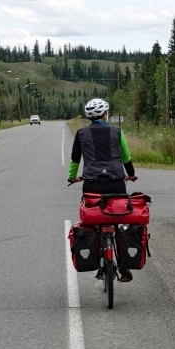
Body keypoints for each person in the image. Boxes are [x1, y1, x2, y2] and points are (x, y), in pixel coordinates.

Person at [68, 98, 138, 282]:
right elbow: (126, 157)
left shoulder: (81, 133)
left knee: (93, 218)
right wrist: (130, 174)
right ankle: (123, 266)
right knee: (120, 219)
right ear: (105, 114)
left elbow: (75, 158)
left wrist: (72, 176)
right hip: (116, 182)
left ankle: (96, 253)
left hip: (91, 183)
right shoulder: (117, 132)